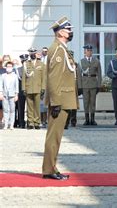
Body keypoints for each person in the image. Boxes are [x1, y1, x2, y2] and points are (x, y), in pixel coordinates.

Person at [42, 16, 79, 180]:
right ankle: (49, 170)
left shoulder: (61, 48)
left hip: (64, 99)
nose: (71, 32)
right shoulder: (57, 49)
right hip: (60, 100)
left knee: (56, 137)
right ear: (61, 32)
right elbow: (54, 77)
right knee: (53, 136)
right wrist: (56, 102)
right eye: (68, 30)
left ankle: (52, 167)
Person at [78, 44, 102, 126]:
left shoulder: (96, 61)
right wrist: (80, 86)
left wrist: (99, 85)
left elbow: (99, 73)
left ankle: (93, 119)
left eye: (90, 50)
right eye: (88, 50)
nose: (89, 52)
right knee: (85, 103)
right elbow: (79, 75)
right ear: (85, 52)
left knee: (93, 102)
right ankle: (87, 119)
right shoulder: (81, 62)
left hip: (93, 84)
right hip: (85, 84)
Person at [22, 47, 46, 130]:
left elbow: (44, 77)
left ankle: (37, 123)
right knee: (29, 107)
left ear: (36, 53)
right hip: (28, 88)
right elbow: (24, 77)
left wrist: (43, 88)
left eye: (34, 53)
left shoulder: (41, 64)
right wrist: (23, 88)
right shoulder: (26, 64)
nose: (32, 54)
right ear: (29, 54)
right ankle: (30, 122)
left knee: (37, 107)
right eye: (31, 53)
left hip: (38, 88)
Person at [0, 61, 19, 130]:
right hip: (5, 95)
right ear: (6, 67)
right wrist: (1, 93)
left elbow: (16, 86)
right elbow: (1, 85)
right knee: (5, 110)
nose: (9, 68)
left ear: (12, 67)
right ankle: (6, 124)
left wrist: (16, 94)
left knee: (12, 110)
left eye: (10, 67)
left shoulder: (15, 76)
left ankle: (11, 125)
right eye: (8, 66)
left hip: (12, 95)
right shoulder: (3, 75)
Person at [13, 56, 27, 128]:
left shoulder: (30, 69)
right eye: (23, 61)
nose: (24, 62)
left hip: (28, 90)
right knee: (18, 107)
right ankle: (17, 122)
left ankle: (22, 122)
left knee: (24, 107)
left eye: (25, 60)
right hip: (20, 90)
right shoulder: (18, 69)